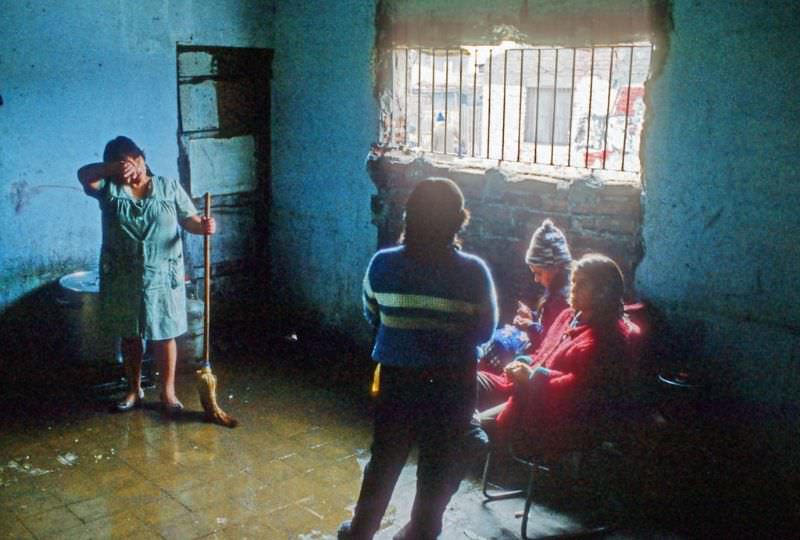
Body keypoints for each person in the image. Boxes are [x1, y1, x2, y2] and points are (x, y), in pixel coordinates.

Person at [338, 178, 498, 540]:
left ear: (409, 217)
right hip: (452, 385)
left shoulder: (382, 265)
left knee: (384, 460)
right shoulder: (473, 273)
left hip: (397, 379)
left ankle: (361, 531)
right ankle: (420, 533)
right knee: (438, 467)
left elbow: (373, 315)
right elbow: (485, 332)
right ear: (459, 221)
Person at [77, 136, 216, 414]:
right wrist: (113, 170)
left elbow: (188, 219)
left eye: (135, 159)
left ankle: (167, 393)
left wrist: (202, 226)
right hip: (123, 276)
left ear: (144, 158)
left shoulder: (168, 187)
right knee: (130, 335)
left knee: (164, 334)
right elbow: (84, 175)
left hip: (163, 275)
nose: (132, 166)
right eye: (123, 162)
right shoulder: (108, 189)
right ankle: (133, 389)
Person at [476, 253, 640, 451]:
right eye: (573, 282)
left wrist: (533, 378)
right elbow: (543, 353)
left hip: (544, 408)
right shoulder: (568, 316)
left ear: (603, 292)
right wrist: (524, 362)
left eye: (583, 284)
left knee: (472, 427)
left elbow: (581, 392)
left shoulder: (607, 337)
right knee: (467, 381)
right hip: (522, 388)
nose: (574, 289)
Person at [476, 218, 572, 411]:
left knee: (497, 345)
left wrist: (530, 327)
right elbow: (548, 326)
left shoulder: (563, 302)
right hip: (532, 355)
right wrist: (532, 317)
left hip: (535, 363)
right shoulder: (553, 295)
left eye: (539, 272)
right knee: (498, 338)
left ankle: (491, 393)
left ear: (556, 267)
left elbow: (552, 342)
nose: (536, 279)